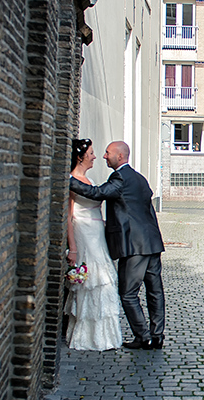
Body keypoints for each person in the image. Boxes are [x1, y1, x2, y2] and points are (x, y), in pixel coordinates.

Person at [69, 141, 166, 350]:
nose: (104, 156)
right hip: (152, 242)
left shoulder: (120, 177)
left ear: (120, 157)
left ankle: (143, 336)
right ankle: (157, 335)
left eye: (107, 153)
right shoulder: (140, 178)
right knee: (155, 290)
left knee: (128, 293)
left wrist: (68, 180)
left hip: (134, 245)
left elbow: (97, 193)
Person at [65, 139, 123, 351]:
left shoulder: (88, 180)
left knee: (105, 280)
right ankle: (87, 336)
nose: (95, 157)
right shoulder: (72, 180)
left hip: (98, 233)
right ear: (81, 157)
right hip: (84, 234)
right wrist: (73, 247)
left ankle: (105, 335)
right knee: (92, 281)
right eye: (91, 153)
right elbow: (68, 217)